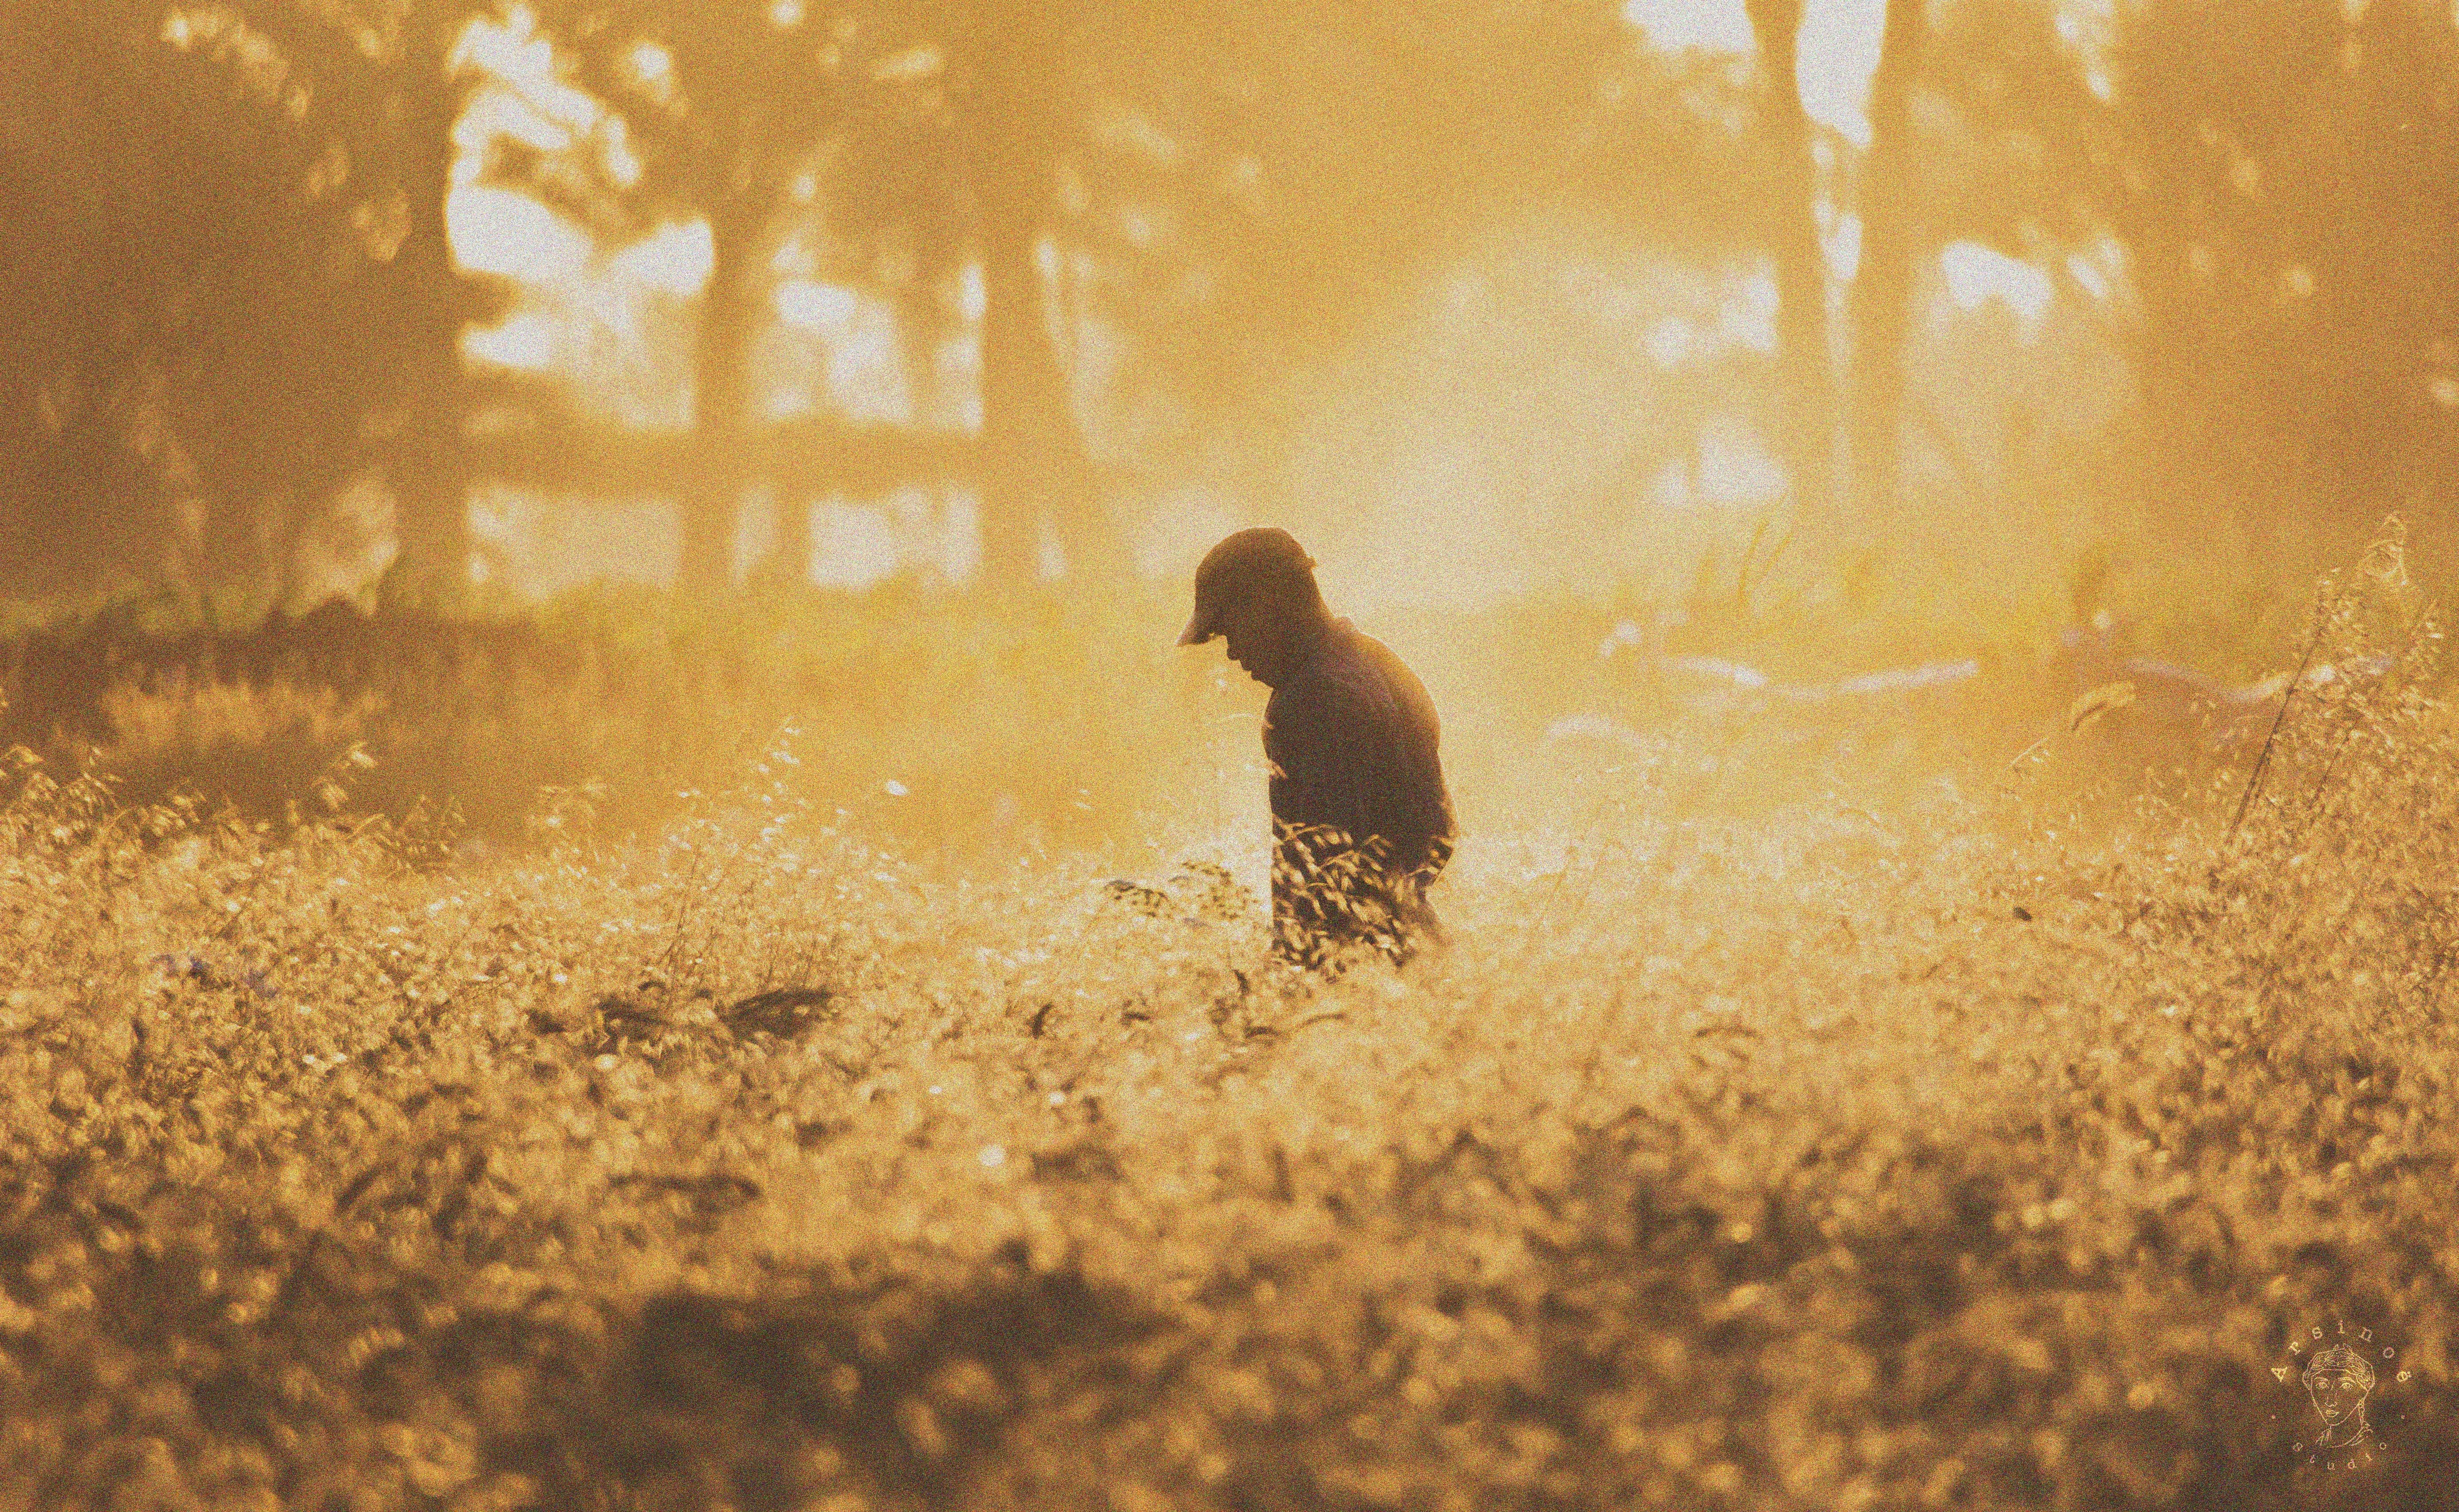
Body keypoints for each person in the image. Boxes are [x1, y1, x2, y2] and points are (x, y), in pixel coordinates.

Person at [1178, 528, 1455, 967]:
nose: (1231, 652)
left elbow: (1319, 886)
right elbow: (1438, 837)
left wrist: (1283, 988)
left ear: (1268, 605)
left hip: (1360, 978)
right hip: (1419, 952)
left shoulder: (1306, 704)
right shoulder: (1381, 664)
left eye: (1230, 628)